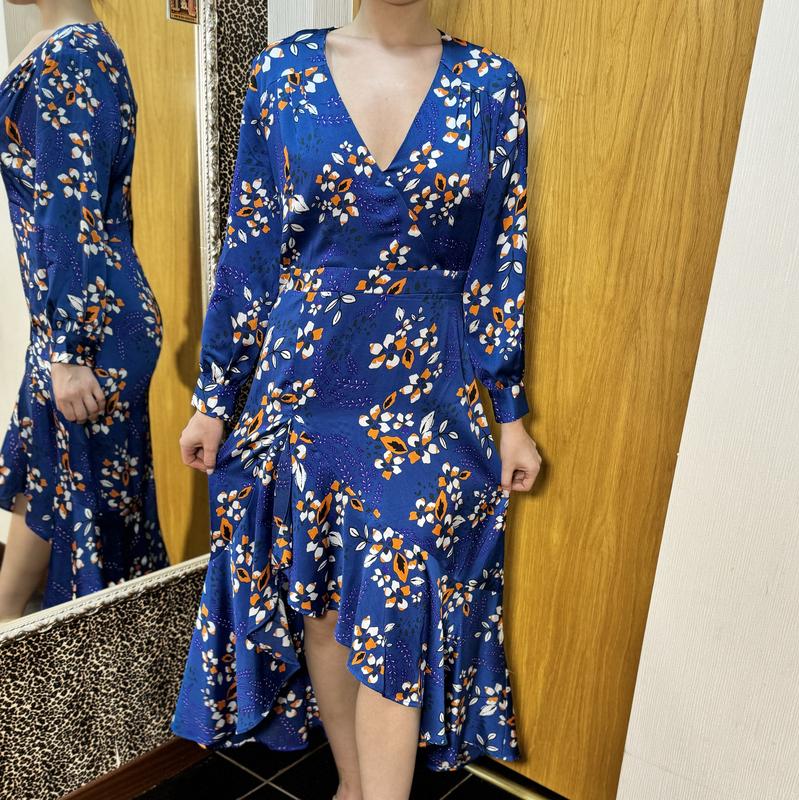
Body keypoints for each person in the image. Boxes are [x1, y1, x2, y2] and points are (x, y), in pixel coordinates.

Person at [172, 3, 541, 799]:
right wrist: (216, 396)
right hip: (304, 386)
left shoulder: (490, 85)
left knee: (396, 608)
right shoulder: (282, 74)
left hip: (426, 394)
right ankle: (349, 783)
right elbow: (250, 247)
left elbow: (499, 256)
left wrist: (508, 410)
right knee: (324, 606)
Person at [0, 0, 167, 618]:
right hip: (76, 319)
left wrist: (69, 350)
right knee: (45, 487)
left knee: (81, 519)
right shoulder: (70, 43)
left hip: (89, 329)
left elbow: (70, 214)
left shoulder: (70, 54)